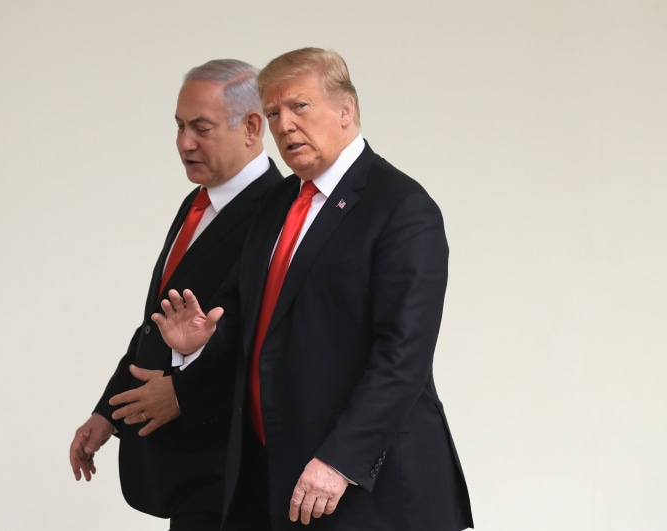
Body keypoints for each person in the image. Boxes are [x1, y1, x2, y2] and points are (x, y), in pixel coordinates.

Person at [153, 48, 473, 530]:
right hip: (275, 478)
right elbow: (243, 310)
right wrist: (200, 342)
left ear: (346, 111)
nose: (284, 126)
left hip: (366, 488)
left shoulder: (402, 207)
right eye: (275, 112)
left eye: (300, 107)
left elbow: (402, 356)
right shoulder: (277, 201)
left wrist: (341, 461)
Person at [68, 58, 283, 531]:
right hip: (184, 472)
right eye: (180, 126)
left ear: (251, 127)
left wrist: (184, 394)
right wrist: (108, 412)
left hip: (231, 475)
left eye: (201, 128)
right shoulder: (198, 202)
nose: (184, 143)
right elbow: (157, 323)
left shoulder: (280, 214)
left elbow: (267, 344)